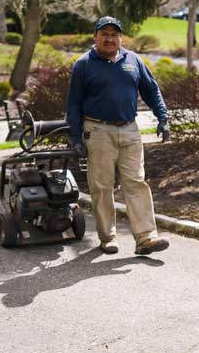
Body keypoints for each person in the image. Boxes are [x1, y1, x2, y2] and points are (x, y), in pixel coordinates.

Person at [66, 16, 171, 256]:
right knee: (102, 186)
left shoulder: (133, 60)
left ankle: (146, 238)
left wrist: (163, 117)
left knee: (136, 182)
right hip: (98, 130)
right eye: (105, 34)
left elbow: (151, 89)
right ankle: (108, 237)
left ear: (120, 38)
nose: (110, 39)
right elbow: (73, 104)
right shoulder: (84, 64)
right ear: (96, 37)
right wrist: (75, 137)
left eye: (114, 34)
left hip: (130, 129)